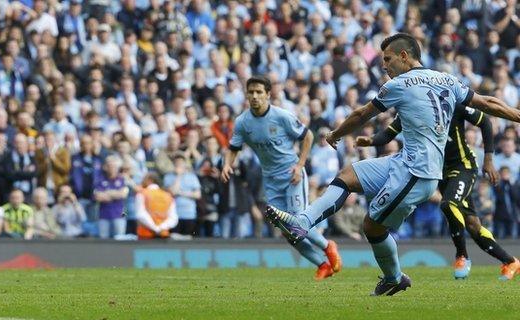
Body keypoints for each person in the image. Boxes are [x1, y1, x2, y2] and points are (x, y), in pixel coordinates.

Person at [265, 33, 520, 295]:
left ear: (404, 56)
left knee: (372, 226)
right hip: (403, 161)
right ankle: (303, 222)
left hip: (418, 174)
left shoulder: (399, 85)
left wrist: (335, 135)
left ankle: (394, 278)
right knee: (348, 175)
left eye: (387, 59)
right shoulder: (447, 80)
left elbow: (361, 113)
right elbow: (488, 103)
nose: (384, 66)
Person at [360, 105, 520, 280]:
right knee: (472, 224)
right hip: (441, 174)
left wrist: (488, 159)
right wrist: (371, 141)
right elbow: (389, 133)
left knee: (448, 205)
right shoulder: (412, 108)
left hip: (463, 167)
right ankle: (510, 261)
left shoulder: (452, 103)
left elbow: (485, 121)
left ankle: (462, 256)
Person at [221, 76, 341, 280]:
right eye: (251, 92)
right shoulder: (242, 122)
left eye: (259, 92)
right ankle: (322, 265)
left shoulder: (282, 116)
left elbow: (308, 136)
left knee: (297, 221)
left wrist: (300, 165)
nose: (255, 96)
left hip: (291, 174)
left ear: (268, 94)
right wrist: (226, 164)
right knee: (287, 230)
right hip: (270, 180)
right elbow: (233, 148)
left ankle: (328, 246)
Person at [94, 155, 129, 239]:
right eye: (109, 166)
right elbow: (98, 196)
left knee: (120, 239)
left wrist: (107, 193)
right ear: (106, 167)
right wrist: (115, 194)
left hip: (120, 214)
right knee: (103, 240)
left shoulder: (122, 179)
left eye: (114, 166)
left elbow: (123, 194)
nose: (112, 168)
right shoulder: (100, 179)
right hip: (103, 215)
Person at [136, 172, 178, 240]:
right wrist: (161, 228)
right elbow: (173, 218)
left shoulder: (142, 193)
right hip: (163, 234)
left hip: (145, 235)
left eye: (143, 179)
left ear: (149, 180)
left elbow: (141, 215)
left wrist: (155, 228)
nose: (141, 182)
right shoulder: (168, 195)